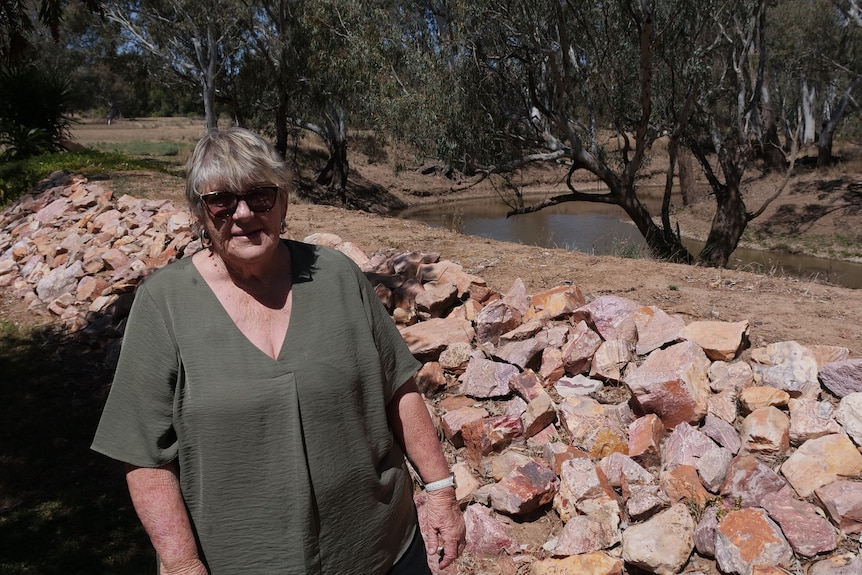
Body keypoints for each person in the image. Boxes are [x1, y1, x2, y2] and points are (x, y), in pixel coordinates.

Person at [92, 127, 465, 574]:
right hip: (241, 560)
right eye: (222, 201)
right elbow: (144, 454)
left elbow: (399, 390)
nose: (244, 213)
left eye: (261, 196)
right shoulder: (165, 304)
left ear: (284, 202)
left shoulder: (337, 277)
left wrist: (441, 491)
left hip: (380, 550)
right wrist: (181, 562)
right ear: (200, 211)